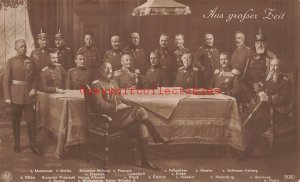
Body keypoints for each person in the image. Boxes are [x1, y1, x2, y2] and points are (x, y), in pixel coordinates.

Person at [90, 62, 172, 171]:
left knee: (142, 127)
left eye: (110, 68)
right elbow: (99, 105)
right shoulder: (96, 85)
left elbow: (122, 99)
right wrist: (115, 107)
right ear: (100, 70)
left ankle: (146, 161)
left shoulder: (114, 83)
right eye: (106, 68)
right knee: (139, 112)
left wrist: (132, 105)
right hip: (108, 120)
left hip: (121, 118)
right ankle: (157, 136)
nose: (109, 71)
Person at [238, 58, 291, 161]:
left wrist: (268, 99)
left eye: (276, 66)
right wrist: (260, 93)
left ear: (281, 68)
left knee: (258, 120)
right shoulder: (269, 80)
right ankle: (243, 147)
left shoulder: (285, 81)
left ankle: (247, 152)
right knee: (246, 117)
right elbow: (260, 91)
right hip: (265, 110)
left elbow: (285, 99)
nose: (273, 68)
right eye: (272, 66)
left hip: (278, 112)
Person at [3, 39, 44, 155]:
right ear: (15, 48)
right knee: (15, 121)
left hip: (28, 96)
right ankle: (17, 145)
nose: (23, 48)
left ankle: (33, 145)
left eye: (25, 46)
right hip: (15, 96)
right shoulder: (11, 62)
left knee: (31, 121)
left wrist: (34, 88)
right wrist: (7, 96)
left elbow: (36, 77)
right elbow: (6, 80)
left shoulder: (30, 60)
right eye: (21, 47)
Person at [241, 29, 277, 103]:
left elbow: (275, 77)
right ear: (255, 45)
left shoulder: (272, 57)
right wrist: (252, 84)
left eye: (262, 42)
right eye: (257, 43)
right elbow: (244, 77)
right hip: (250, 91)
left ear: (266, 43)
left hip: (267, 91)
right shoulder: (249, 58)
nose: (260, 45)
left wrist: (265, 87)